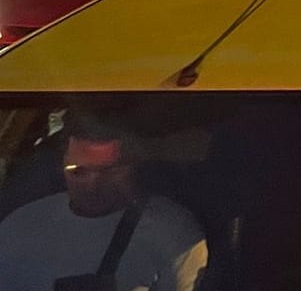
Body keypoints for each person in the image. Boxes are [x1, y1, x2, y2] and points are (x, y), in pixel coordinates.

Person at [0, 115, 207, 291]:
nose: (93, 185)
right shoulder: (21, 224)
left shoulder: (171, 231)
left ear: (134, 166)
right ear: (61, 167)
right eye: (78, 172)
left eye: (110, 171)